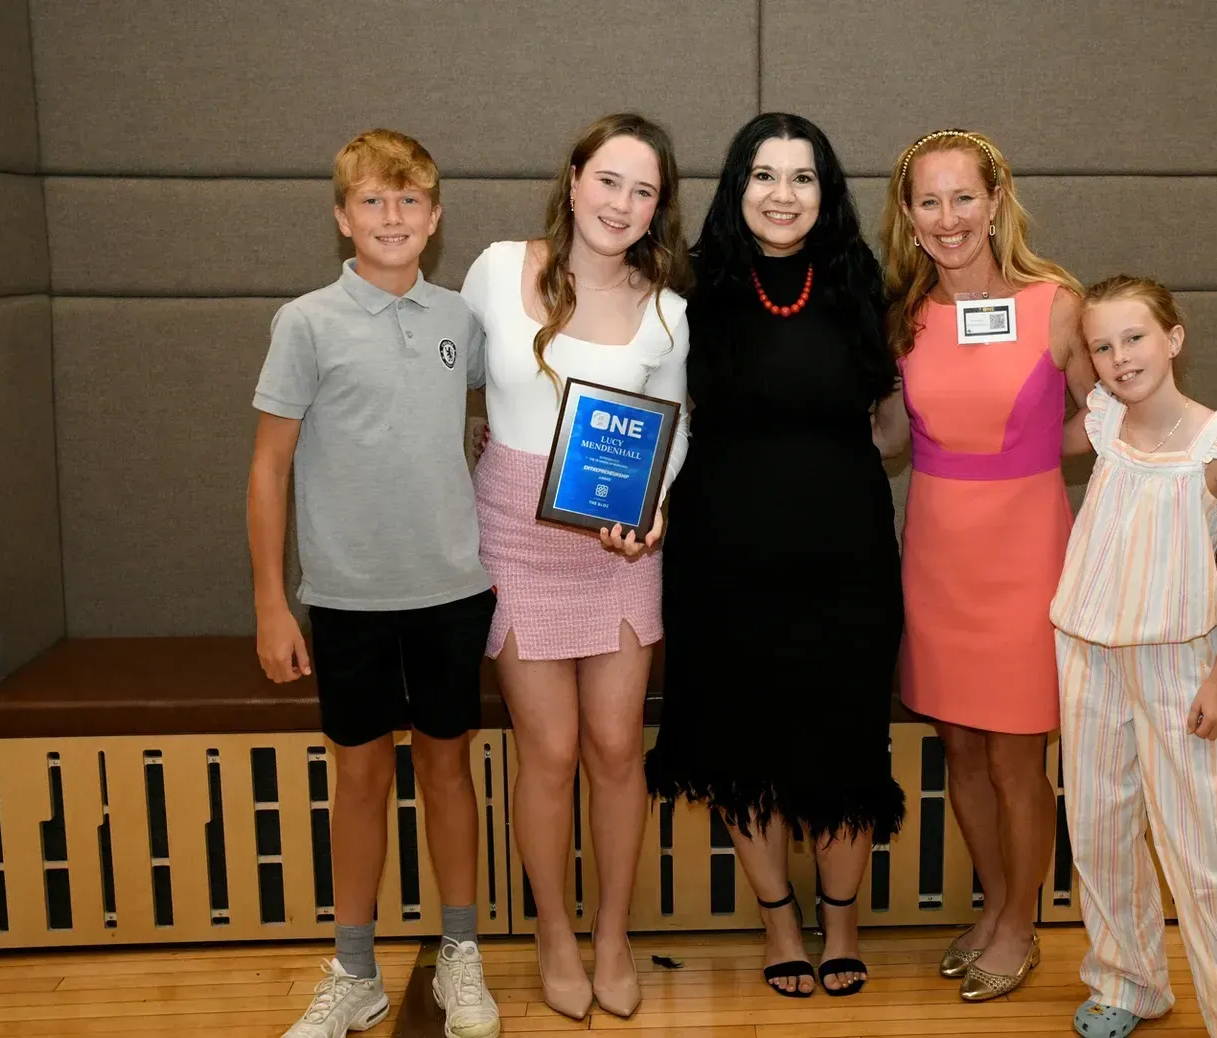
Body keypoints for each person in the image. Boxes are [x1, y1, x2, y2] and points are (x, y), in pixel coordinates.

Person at [644, 112, 905, 999]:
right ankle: (779, 924)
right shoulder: (685, 291)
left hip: (846, 555)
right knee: (741, 741)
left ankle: (841, 922)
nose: (782, 195)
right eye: (764, 175)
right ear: (736, 187)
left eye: (802, 177)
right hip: (724, 557)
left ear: (826, 194)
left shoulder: (864, 286)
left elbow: (899, 425)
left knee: (842, 740)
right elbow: (644, 408)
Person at [248, 129, 500, 1038]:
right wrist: (274, 601)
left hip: (451, 590)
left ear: (434, 220)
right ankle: (355, 972)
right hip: (346, 599)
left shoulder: (459, 321)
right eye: (372, 201)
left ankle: (461, 955)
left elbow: (504, 413)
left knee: (445, 766)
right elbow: (268, 467)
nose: (391, 217)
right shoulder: (306, 322)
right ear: (342, 216)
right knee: (357, 779)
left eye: (409, 202)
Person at [458, 113, 692, 1022]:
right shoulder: (494, 268)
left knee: (616, 747)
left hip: (616, 549)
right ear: (574, 178)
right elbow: (450, 379)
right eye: (609, 180)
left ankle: (611, 934)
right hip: (514, 538)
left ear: (658, 208)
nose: (622, 204)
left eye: (643, 191)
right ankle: (555, 930)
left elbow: (675, 435)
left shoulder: (668, 309)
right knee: (547, 753)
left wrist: (657, 513)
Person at [1053, 276, 1217, 1038]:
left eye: (1135, 337)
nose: (1120, 357)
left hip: (1182, 664)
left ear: (1174, 338)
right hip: (1090, 654)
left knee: (1204, 846)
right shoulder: (1100, 423)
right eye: (1103, 346)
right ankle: (1129, 983)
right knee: (1100, 829)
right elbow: (1023, 430)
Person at [875, 128, 1094, 1003]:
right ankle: (996, 905)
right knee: (960, 746)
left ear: (997, 200)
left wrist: (1035, 452)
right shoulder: (901, 313)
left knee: (1016, 757)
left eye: (964, 196)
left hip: (1027, 547)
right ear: (908, 215)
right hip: (936, 548)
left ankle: (1019, 923)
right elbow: (890, 436)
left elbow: (1109, 416)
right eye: (929, 201)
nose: (948, 217)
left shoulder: (1058, 304)